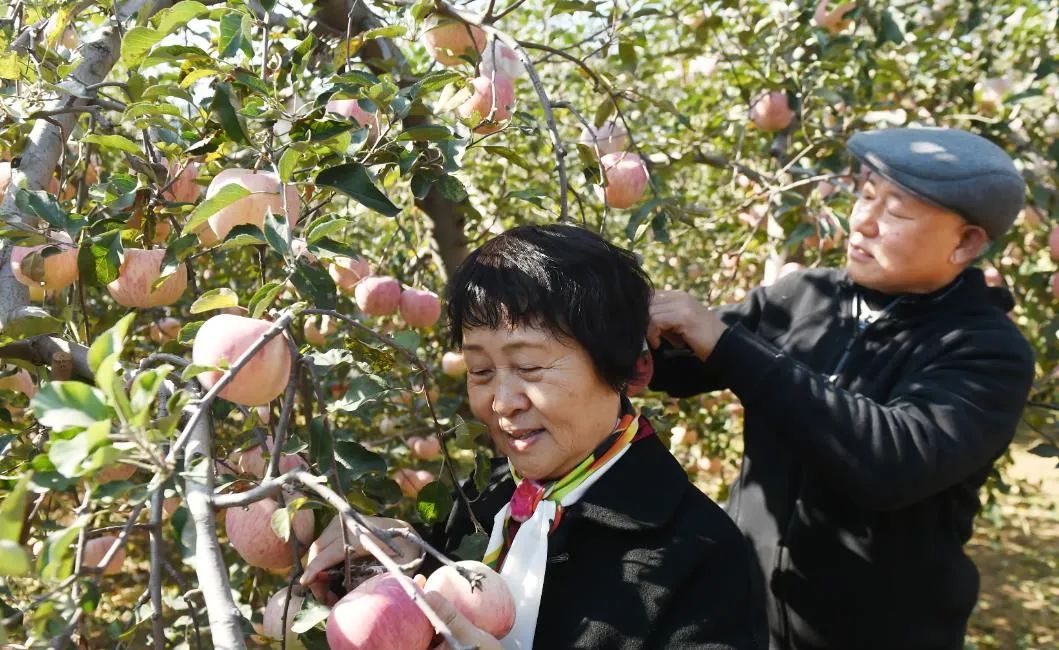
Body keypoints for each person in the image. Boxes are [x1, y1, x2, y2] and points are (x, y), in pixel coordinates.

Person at [647, 127, 1035, 650]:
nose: (863, 222)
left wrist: (725, 343)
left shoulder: (985, 350)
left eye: (896, 212)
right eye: (866, 196)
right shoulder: (803, 296)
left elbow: (889, 461)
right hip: (746, 619)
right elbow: (675, 365)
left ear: (965, 242)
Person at [303, 224, 765, 649]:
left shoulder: (698, 556)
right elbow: (443, 573)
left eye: (529, 368)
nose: (502, 402)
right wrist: (400, 552)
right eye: (480, 370)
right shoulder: (492, 497)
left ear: (623, 368)